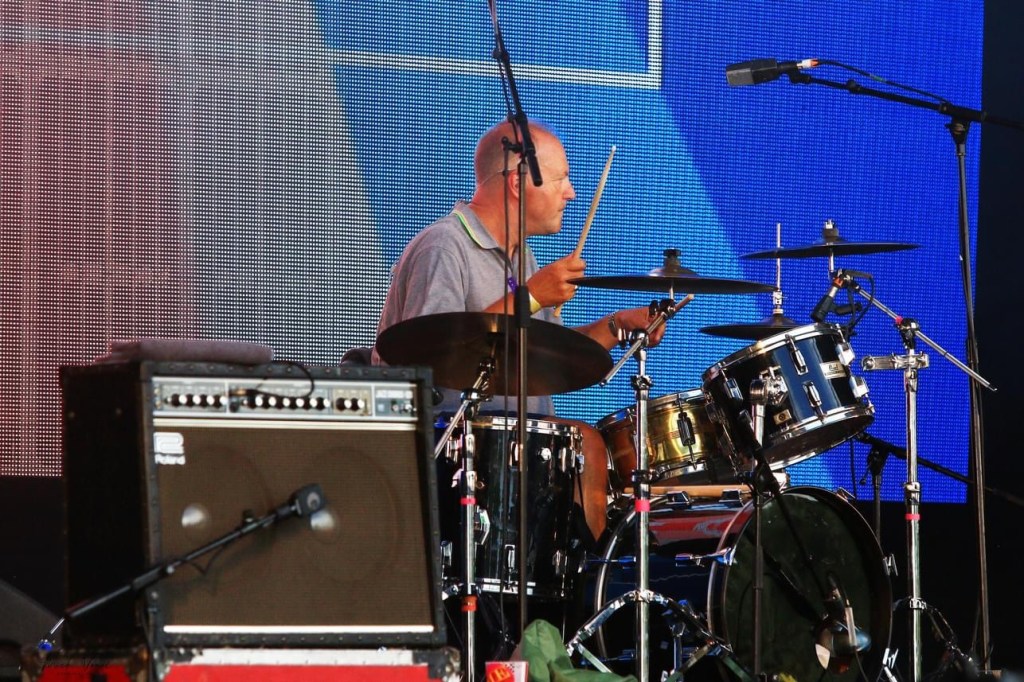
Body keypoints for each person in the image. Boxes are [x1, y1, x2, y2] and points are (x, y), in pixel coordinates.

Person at [373, 119, 674, 541]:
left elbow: (546, 354)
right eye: (562, 179)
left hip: (513, 455)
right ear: (517, 182)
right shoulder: (443, 247)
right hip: (450, 459)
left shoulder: (522, 259)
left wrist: (617, 326)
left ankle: (583, 573)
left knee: (588, 447)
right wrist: (530, 297)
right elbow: (431, 353)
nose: (571, 193)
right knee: (586, 443)